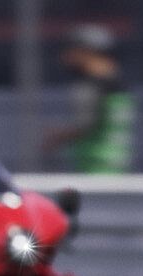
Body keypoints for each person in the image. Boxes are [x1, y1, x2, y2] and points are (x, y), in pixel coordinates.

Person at [42, 24, 134, 174]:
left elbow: (84, 124)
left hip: (95, 165)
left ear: (87, 51)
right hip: (116, 163)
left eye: (71, 50)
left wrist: (57, 137)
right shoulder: (117, 84)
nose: (66, 57)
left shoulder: (92, 85)